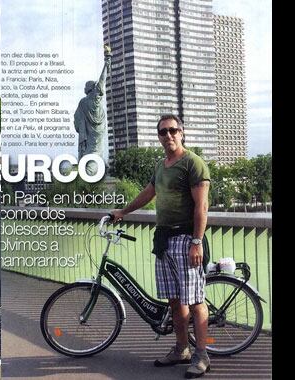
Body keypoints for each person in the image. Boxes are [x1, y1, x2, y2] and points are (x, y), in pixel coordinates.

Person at [110, 114, 211, 379]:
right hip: (164, 240)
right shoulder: (162, 165)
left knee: (196, 300)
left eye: (173, 130)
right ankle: (181, 350)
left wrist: (197, 242)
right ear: (158, 136)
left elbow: (202, 207)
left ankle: (202, 356)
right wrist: (123, 211)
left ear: (182, 132)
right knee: (175, 301)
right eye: (163, 132)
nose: (168, 136)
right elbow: (148, 193)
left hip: (187, 239)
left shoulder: (193, 163)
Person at [74, 44, 112, 175]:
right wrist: (107, 63)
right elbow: (102, 81)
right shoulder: (96, 99)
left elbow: (76, 123)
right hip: (98, 133)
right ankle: (93, 173)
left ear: (88, 89)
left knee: (91, 153)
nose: (84, 88)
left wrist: (107, 63)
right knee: (96, 152)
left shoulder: (84, 102)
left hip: (89, 135)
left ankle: (90, 174)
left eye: (85, 87)